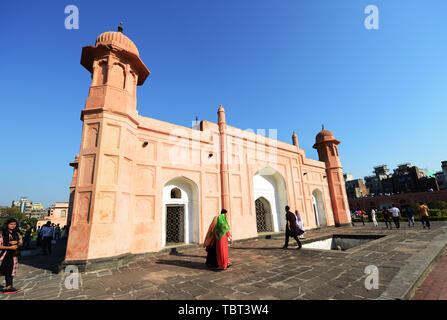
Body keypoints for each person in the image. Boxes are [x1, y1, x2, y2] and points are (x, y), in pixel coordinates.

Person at [0, 218, 22, 294]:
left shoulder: (17, 233)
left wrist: (16, 242)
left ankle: (8, 287)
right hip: (3, 255)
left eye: (14, 224)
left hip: (13, 255)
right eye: (11, 224)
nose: (13, 226)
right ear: (7, 224)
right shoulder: (2, 233)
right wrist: (9, 247)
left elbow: (20, 243)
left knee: (10, 270)